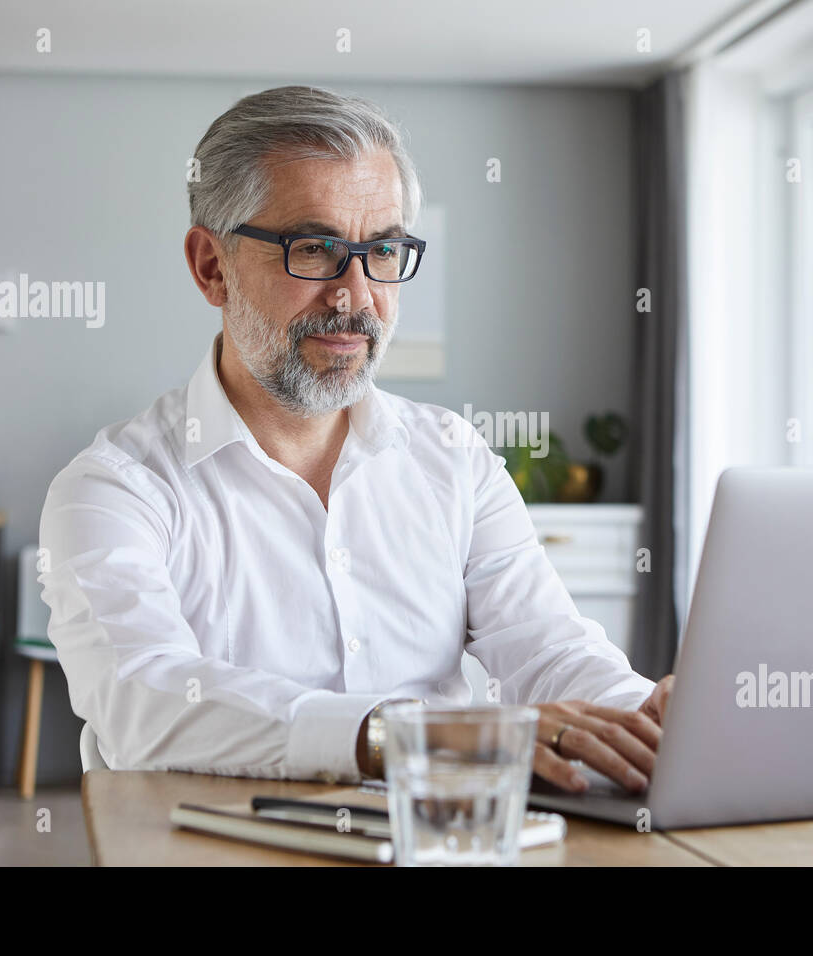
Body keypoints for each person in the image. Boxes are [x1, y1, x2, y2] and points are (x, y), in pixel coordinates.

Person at [39, 85, 674, 794]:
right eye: (314, 249)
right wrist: (404, 738)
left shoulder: (454, 459)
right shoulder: (113, 489)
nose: (357, 293)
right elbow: (144, 698)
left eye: (384, 251)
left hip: (436, 835)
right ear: (212, 267)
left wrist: (645, 718)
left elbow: (548, 649)